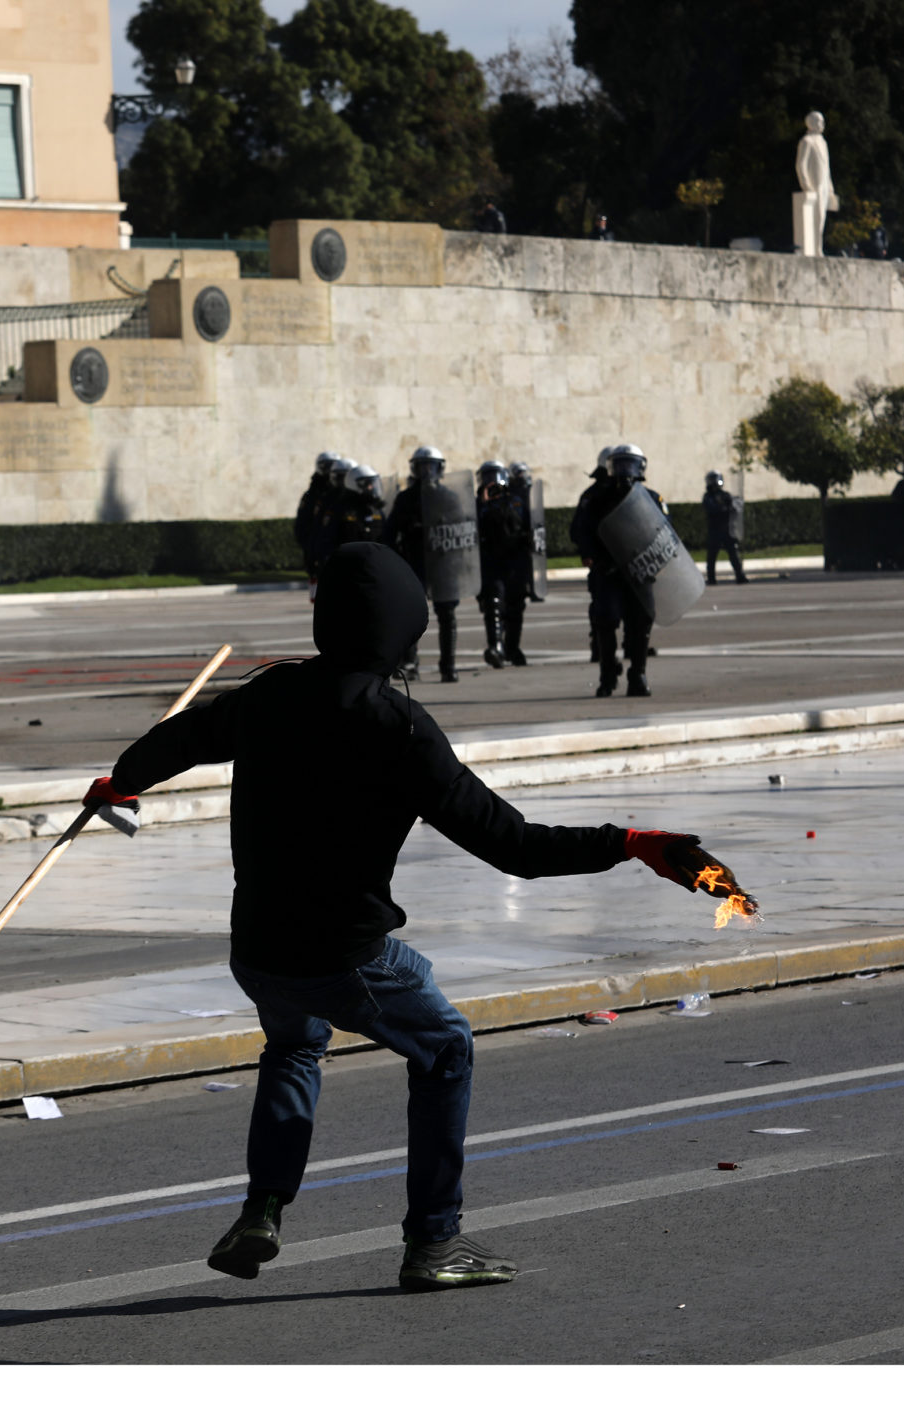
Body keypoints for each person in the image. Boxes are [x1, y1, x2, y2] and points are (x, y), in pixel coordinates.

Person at [83, 541, 742, 1292]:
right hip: (348, 957)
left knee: (295, 1048)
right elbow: (514, 847)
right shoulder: (400, 728)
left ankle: (263, 1209)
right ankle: (434, 1241)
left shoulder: (268, 696)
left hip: (259, 949)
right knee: (446, 1048)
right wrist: (626, 843)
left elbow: (183, 737)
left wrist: (122, 782)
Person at [570, 444, 658, 697]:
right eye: (619, 464)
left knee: (641, 623)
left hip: (639, 572)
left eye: (629, 464)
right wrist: (589, 554)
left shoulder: (650, 497)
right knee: (605, 621)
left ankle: (638, 675)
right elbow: (580, 530)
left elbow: (664, 532)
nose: (624, 470)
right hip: (607, 572)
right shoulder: (595, 498)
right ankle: (607, 677)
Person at [381, 446, 474, 684]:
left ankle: (449, 665)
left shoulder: (449, 497)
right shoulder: (406, 498)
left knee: (447, 614)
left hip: (443, 564)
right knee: (411, 614)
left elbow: (461, 530)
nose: (426, 471)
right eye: (421, 466)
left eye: (430, 466)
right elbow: (389, 533)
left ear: (440, 468)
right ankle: (411, 663)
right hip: (414, 563)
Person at [474, 460, 530, 667]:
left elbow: (525, 524)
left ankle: (512, 648)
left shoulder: (515, 500)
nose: (491, 482)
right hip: (491, 561)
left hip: (515, 561)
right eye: (486, 477)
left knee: (516, 605)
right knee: (494, 603)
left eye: (494, 476)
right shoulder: (478, 504)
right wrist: (483, 503)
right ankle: (495, 646)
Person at [294, 452, 339, 591]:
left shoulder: (340, 494)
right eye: (326, 466)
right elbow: (302, 526)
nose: (329, 470)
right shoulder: (312, 495)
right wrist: (311, 548)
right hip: (318, 551)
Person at [701, 471, 747, 584]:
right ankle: (711, 578)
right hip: (714, 530)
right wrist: (723, 508)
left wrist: (732, 504)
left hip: (727, 530)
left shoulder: (725, 495)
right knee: (712, 557)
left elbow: (734, 506)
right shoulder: (708, 497)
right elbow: (712, 509)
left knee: (734, 554)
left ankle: (740, 576)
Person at [331, 462, 386, 551]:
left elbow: (385, 539)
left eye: (373, 483)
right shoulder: (342, 509)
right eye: (367, 484)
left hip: (372, 561)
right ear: (354, 484)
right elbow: (328, 539)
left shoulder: (376, 510)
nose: (371, 487)